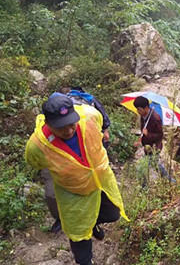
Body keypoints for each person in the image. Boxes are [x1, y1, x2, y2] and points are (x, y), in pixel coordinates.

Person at [25, 95, 128, 265]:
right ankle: (85, 261)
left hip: (100, 181)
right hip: (73, 191)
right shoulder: (37, 145)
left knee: (113, 214)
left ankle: (92, 223)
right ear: (48, 124)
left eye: (71, 124)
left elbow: (101, 123)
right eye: (61, 127)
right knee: (78, 232)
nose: (69, 130)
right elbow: (34, 161)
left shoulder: (89, 116)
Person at [43, 87, 111, 233]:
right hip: (84, 153)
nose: (67, 129)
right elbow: (103, 117)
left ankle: (76, 220)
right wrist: (105, 130)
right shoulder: (87, 100)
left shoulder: (65, 108)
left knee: (61, 191)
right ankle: (85, 221)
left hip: (75, 156)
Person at [133, 96, 173, 184]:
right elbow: (144, 131)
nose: (138, 111)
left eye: (139, 109)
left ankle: (144, 189)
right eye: (137, 109)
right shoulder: (143, 116)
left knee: (141, 168)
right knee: (156, 165)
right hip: (148, 147)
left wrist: (148, 134)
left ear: (146, 108)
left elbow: (160, 135)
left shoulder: (155, 118)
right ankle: (171, 181)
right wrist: (141, 139)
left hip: (155, 147)